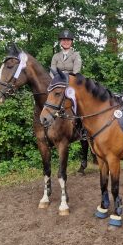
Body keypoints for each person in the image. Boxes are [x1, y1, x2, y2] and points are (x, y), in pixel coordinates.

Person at [51, 29, 87, 173]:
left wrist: (66, 79)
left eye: (68, 40)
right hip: (58, 84)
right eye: (63, 40)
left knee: (77, 101)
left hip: (72, 84)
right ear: (61, 42)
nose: (66, 42)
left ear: (71, 42)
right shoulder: (56, 56)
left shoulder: (76, 55)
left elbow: (76, 71)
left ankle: (82, 128)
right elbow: (52, 71)